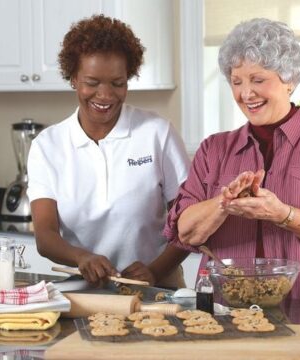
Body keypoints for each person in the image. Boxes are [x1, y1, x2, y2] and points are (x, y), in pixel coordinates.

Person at [163, 18, 300, 300]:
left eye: (258, 80)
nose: (246, 93)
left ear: (289, 80)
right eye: (236, 81)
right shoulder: (214, 149)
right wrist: (224, 203)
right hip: (223, 313)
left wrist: (283, 215)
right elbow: (185, 234)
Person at [27, 15, 190, 288]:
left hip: (159, 287)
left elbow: (190, 224)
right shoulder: (47, 146)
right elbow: (45, 236)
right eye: (92, 82)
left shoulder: (157, 133)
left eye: (117, 83)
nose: (105, 95)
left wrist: (155, 271)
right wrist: (82, 257)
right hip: (85, 290)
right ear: (74, 79)